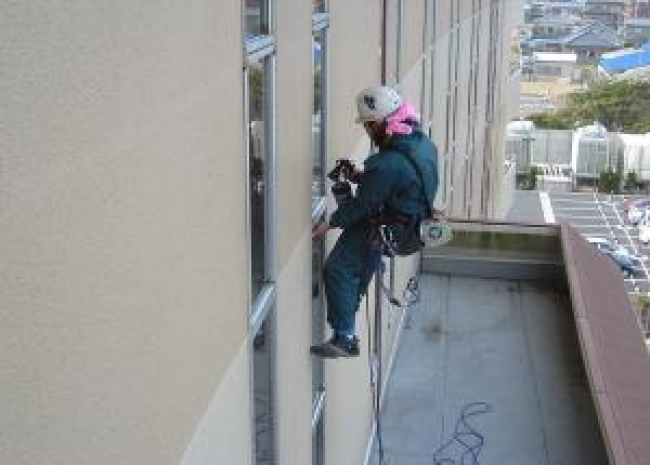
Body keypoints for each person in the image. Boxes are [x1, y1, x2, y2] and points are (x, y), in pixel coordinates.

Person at [310, 86, 439, 358]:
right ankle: (348, 308)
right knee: (359, 264)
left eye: (369, 126)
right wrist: (361, 176)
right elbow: (398, 181)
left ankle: (345, 338)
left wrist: (330, 223)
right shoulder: (422, 144)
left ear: (381, 123)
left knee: (338, 269)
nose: (368, 132)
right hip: (409, 225)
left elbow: (363, 204)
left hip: (390, 227)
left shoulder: (387, 162)